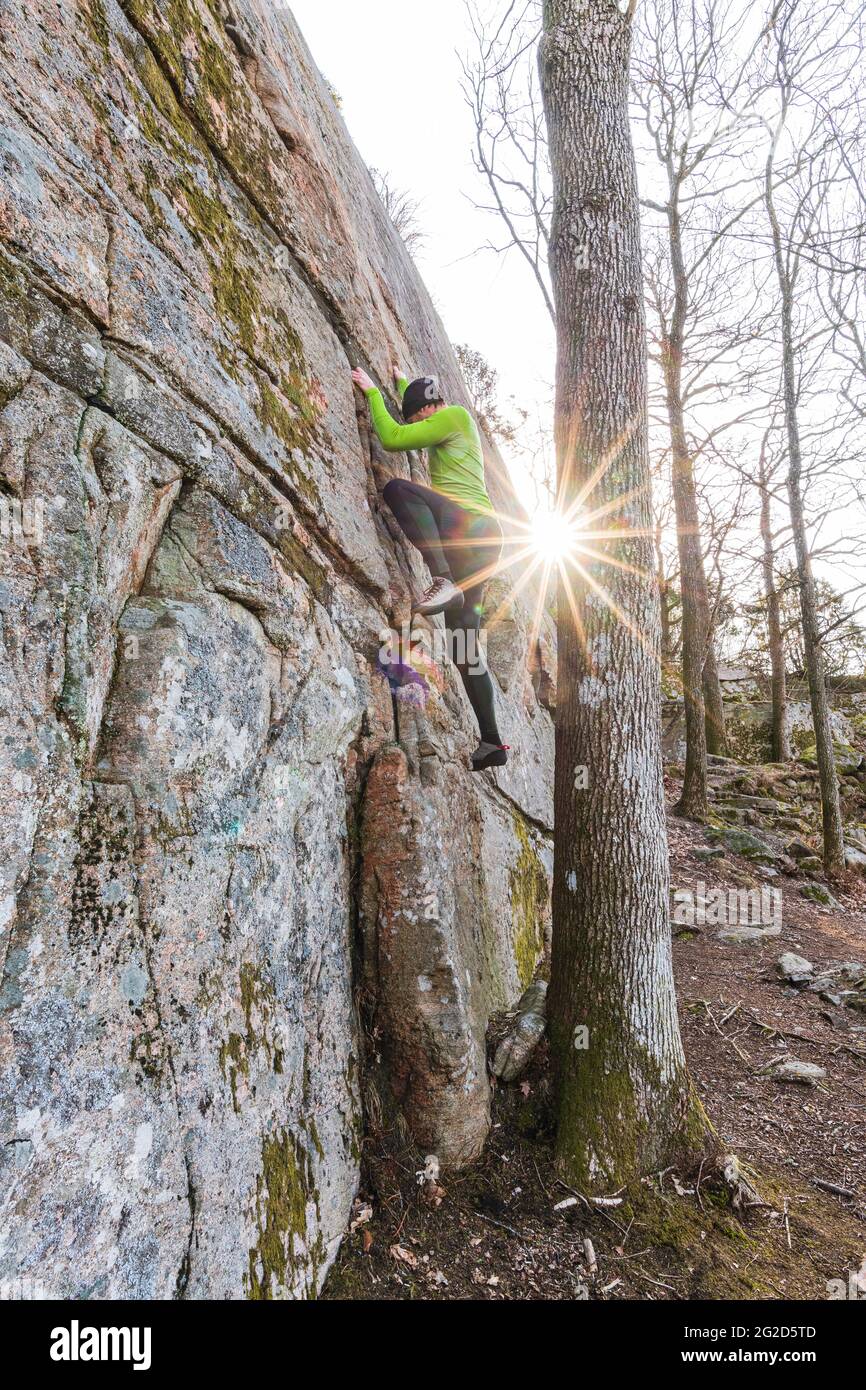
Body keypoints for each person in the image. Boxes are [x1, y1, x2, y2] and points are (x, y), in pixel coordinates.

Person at [352, 364, 509, 772]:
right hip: (479, 549)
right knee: (464, 648)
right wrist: (404, 384)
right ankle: (492, 742)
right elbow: (418, 411)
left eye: (416, 414)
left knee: (397, 489)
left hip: (469, 530)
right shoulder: (446, 419)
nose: (418, 424)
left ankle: (441, 579)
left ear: (428, 409)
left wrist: (373, 392)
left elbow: (393, 438)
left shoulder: (453, 416)